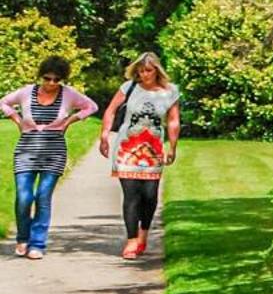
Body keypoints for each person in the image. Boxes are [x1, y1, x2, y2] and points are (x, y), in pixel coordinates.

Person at [5, 56, 99, 260]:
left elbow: (91, 107)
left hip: (53, 151)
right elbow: (3, 102)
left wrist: (70, 121)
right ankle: (23, 238)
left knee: (43, 197)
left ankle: (37, 243)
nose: (51, 83)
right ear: (41, 76)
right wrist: (17, 119)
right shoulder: (26, 92)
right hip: (27, 150)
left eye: (57, 80)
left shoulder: (68, 94)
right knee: (24, 197)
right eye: (47, 78)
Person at [97, 51, 181, 261]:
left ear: (157, 70)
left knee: (150, 195)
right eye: (141, 71)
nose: (145, 74)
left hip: (153, 147)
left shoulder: (170, 92)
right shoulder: (129, 88)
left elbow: (173, 120)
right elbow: (111, 110)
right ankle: (132, 240)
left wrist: (172, 146)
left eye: (149, 70)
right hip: (128, 145)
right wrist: (105, 134)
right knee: (131, 194)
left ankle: (144, 233)